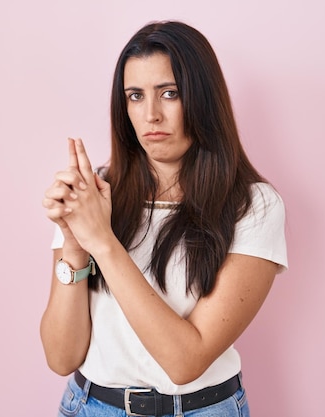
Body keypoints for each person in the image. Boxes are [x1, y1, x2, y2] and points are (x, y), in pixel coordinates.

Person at [40, 20, 287, 417]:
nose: (150, 115)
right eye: (135, 96)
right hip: (90, 406)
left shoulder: (254, 206)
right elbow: (60, 357)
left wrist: (101, 241)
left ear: (203, 99)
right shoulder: (96, 194)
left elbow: (185, 361)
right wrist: (74, 244)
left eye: (169, 93)